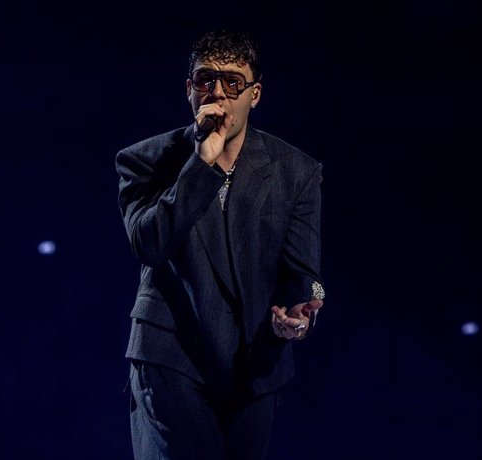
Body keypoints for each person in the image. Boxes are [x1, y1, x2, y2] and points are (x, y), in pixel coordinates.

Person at [115, 29, 325, 460]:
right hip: (170, 357)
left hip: (254, 366)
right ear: (188, 89)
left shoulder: (296, 172)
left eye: (233, 82)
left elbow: (302, 275)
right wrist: (201, 163)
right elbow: (149, 244)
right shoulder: (145, 161)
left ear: (255, 94)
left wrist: (297, 315)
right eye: (205, 79)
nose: (218, 93)